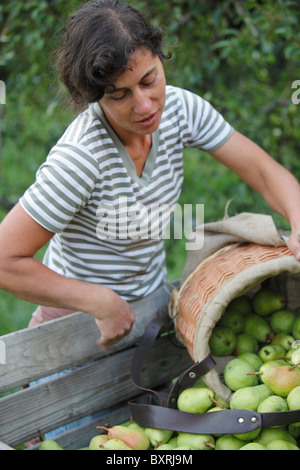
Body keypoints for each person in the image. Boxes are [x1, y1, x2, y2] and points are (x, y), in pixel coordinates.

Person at [0, 0, 300, 352]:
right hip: (78, 327)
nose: (144, 105)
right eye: (120, 94)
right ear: (95, 97)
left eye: (149, 80)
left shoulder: (181, 110)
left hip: (150, 309)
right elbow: (6, 260)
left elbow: (264, 172)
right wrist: (98, 301)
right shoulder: (81, 159)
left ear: (161, 58)